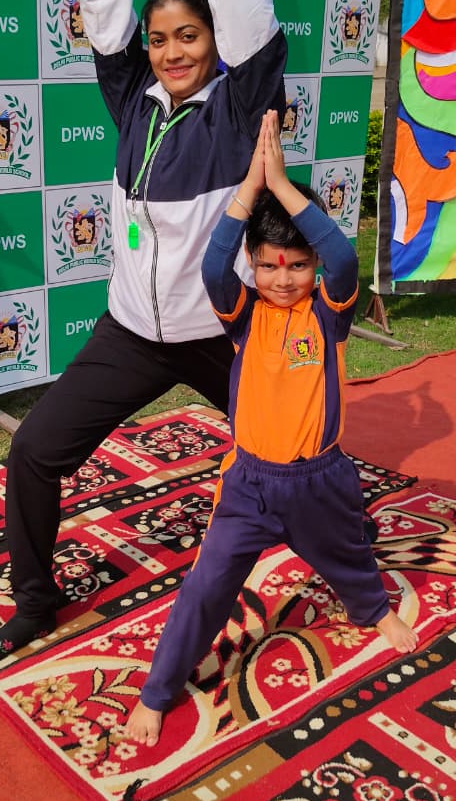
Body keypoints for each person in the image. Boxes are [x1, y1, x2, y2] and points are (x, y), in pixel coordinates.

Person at [0, 0, 287, 675]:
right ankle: (36, 603)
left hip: (225, 330)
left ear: (217, 41)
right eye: (159, 39)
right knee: (34, 451)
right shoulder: (131, 96)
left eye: (189, 36)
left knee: (297, 446)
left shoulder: (241, 100)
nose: (172, 51)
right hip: (133, 333)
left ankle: (341, 538)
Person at [126, 110, 418, 745]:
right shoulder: (243, 314)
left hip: (320, 479)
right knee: (205, 586)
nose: (283, 280)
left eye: (296, 266)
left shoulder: (329, 313)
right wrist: (250, 189)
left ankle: (375, 612)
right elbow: (213, 267)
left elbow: (343, 258)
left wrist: (283, 185)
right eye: (268, 266)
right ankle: (158, 691)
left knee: (348, 554)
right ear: (254, 267)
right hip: (248, 486)